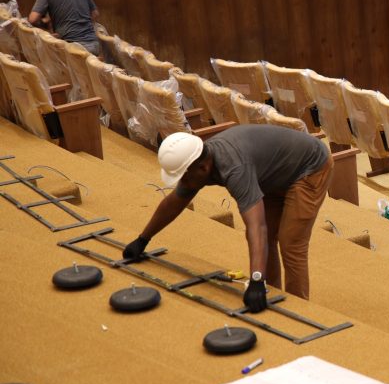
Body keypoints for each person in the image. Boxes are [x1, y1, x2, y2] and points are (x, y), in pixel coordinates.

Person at [122, 126, 333, 311]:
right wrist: (143, 239)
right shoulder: (198, 163)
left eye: (183, 176)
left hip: (309, 167)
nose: (183, 182)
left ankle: (300, 308)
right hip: (274, 172)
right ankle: (274, 295)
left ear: (203, 168)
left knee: (291, 243)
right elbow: (174, 202)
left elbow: (256, 227)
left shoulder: (235, 168)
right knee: (268, 239)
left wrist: (256, 280)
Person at [27, 0, 100, 55]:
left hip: (72, 48)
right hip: (93, 44)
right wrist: (83, 27)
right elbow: (95, 13)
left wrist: (48, 26)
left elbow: (32, 19)